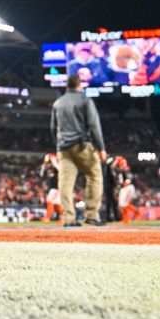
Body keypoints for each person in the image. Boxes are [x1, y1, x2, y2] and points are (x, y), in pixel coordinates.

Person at [51, 73, 107, 226]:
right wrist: (101, 148)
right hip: (82, 145)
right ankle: (91, 215)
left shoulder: (58, 103)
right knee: (94, 176)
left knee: (65, 183)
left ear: (66, 86)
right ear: (79, 85)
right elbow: (94, 125)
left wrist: (58, 145)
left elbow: (53, 128)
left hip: (63, 147)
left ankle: (68, 218)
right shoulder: (85, 100)